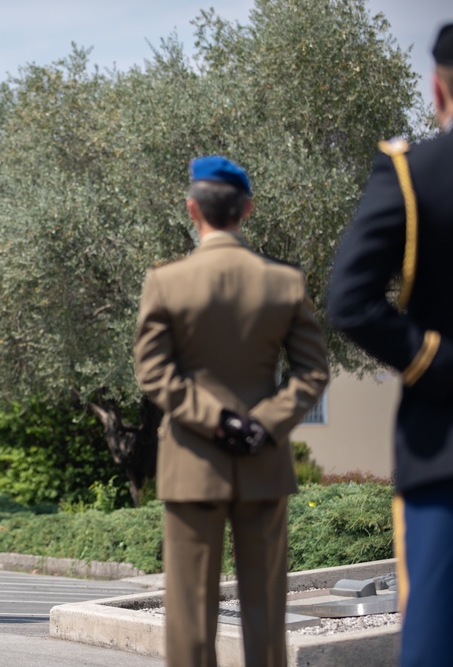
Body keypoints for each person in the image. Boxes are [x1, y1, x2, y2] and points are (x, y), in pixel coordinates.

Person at [327, 23, 453, 667]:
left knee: (439, 650)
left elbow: (349, 301)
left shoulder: (412, 171)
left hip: (444, 451)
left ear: (439, 89)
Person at [134, 156, 329, 667]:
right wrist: (263, 422)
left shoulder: (167, 282)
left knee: (190, 619)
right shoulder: (284, 282)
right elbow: (312, 373)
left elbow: (153, 372)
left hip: (192, 462)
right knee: (266, 616)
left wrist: (216, 420)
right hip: (263, 462)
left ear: (192, 209)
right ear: (247, 210)